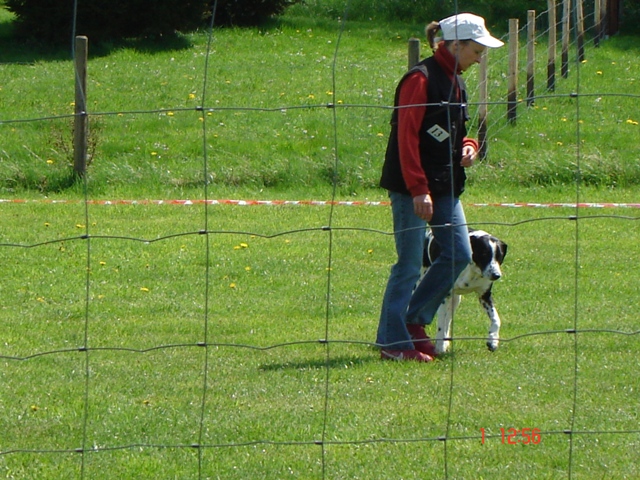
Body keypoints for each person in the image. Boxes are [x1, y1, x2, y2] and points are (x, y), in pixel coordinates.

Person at [377, 13, 504, 362]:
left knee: (459, 253)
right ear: (455, 45)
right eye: (476, 51)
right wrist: (418, 189)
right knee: (408, 264)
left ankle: (413, 322)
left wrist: (469, 146)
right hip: (412, 187)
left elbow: (452, 132)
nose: (479, 58)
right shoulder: (419, 79)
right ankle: (392, 343)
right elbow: (406, 139)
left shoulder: (456, 82)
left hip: (446, 185)